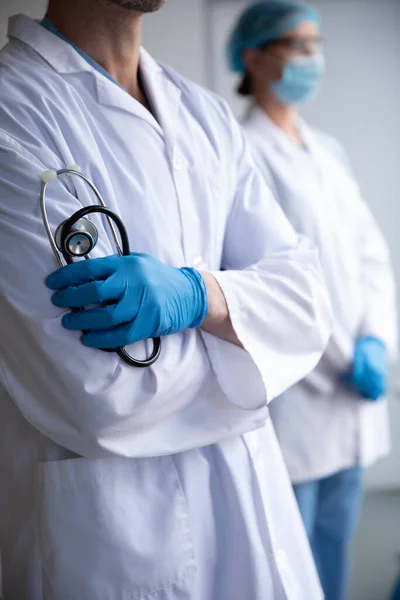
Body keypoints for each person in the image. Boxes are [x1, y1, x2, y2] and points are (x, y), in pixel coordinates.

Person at [0, 1, 333, 599]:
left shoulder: (202, 113)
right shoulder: (14, 109)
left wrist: (201, 296)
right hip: (117, 542)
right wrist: (256, 350)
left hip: (255, 510)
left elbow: (309, 303)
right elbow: (104, 394)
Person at [227, 2, 398, 599]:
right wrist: (340, 356)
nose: (312, 59)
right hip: (298, 388)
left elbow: (369, 254)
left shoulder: (327, 150)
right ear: (253, 56)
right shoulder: (241, 149)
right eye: (297, 46)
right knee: (288, 558)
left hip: (355, 389)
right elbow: (266, 278)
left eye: (315, 45)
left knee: (335, 545)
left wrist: (375, 339)